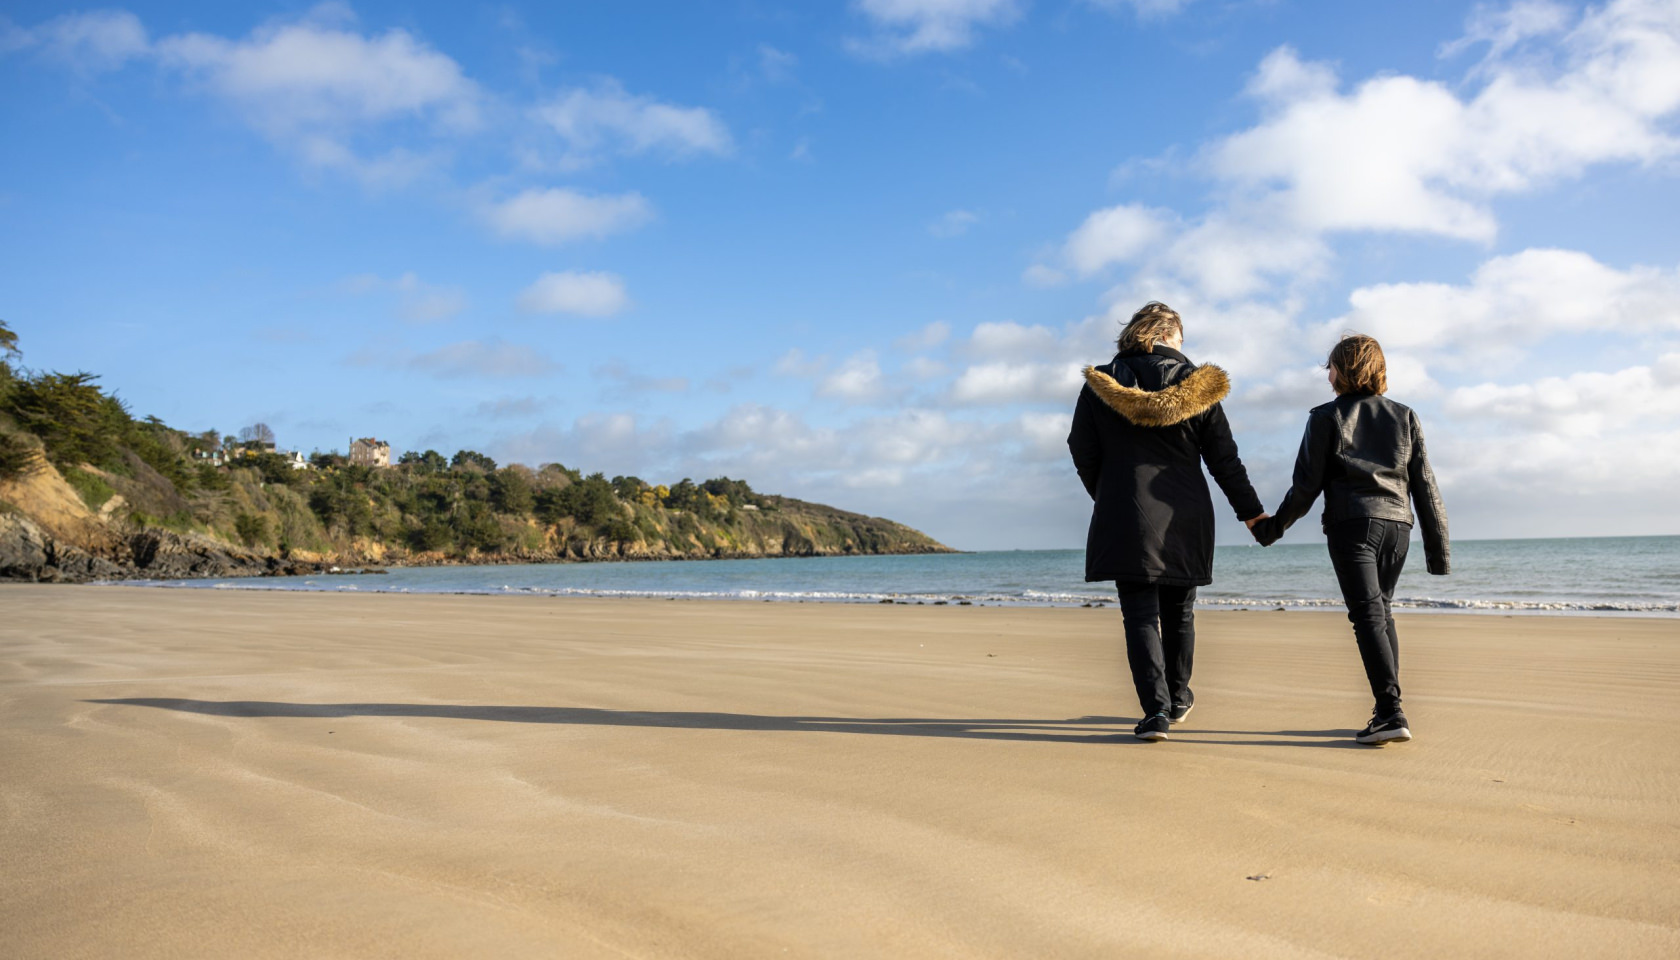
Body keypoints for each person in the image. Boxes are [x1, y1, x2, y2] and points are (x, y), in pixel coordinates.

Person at [1068, 302, 1267, 742]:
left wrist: (1108, 493)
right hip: (1185, 514)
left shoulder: (1100, 385)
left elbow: (1081, 450)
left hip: (1125, 513)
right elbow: (1224, 460)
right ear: (1163, 335)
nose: (1183, 345)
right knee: (1180, 613)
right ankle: (1177, 699)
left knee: (1139, 615)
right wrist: (1253, 515)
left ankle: (1154, 712)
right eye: (1180, 337)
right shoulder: (1198, 385)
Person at [1251, 334, 1449, 745]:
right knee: (1381, 612)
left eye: (1331, 367)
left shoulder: (1325, 417)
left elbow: (1305, 487)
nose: (1328, 376)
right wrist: (1437, 551)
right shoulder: (1404, 415)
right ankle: (1388, 710)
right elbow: (1425, 486)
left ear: (1343, 369)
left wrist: (1271, 529)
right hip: (1398, 527)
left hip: (1353, 524)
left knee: (1369, 616)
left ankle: (1390, 712)